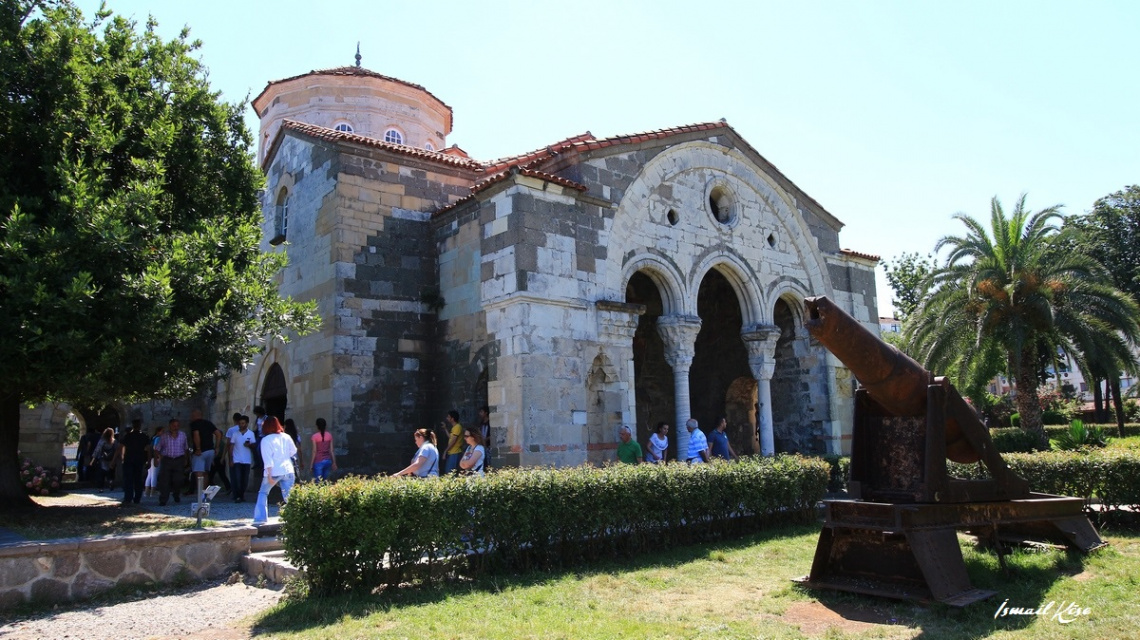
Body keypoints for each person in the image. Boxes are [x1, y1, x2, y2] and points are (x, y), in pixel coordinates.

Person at [253, 416, 297, 526]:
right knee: (289, 496)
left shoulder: (266, 440)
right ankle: (295, 518)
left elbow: (268, 460)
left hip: (274, 471)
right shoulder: (286, 436)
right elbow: (293, 451)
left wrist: (269, 476)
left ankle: (260, 518)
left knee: (263, 492)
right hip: (288, 469)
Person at [154, 418, 190, 506]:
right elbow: (157, 448)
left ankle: (176, 494)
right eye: (174, 426)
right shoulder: (164, 436)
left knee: (178, 480)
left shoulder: (183, 435)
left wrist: (186, 459)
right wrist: (158, 457)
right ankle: (163, 499)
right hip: (167, 460)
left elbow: (186, 448)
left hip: (179, 459)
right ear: (170, 426)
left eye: (177, 426)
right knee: (164, 480)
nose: (176, 427)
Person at [116, 419, 150, 505]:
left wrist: (122, 457)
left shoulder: (128, 436)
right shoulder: (144, 436)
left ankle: (128, 498)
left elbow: (121, 447)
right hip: (139, 460)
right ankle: (137, 498)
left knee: (128, 480)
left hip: (129, 460)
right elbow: (148, 449)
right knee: (138, 479)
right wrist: (148, 461)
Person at [188, 409, 220, 496]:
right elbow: (218, 434)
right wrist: (217, 447)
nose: (191, 417)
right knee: (206, 472)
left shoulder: (195, 424)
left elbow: (196, 435)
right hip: (210, 450)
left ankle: (200, 496)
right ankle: (205, 493)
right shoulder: (209, 423)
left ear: (195, 415)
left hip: (201, 452)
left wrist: (198, 448)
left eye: (192, 415)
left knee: (198, 473)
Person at [229, 415, 256, 502]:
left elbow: (254, 446)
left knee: (245, 480)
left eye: (243, 423)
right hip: (237, 460)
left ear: (247, 423)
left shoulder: (251, 434)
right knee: (237, 478)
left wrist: (249, 445)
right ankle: (237, 496)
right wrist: (231, 459)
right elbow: (231, 446)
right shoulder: (235, 434)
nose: (241, 425)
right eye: (240, 423)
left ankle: (241, 495)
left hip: (246, 460)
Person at [88, 428, 118, 492]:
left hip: (102, 459)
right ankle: (110, 481)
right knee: (111, 472)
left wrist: (92, 460)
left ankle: (101, 488)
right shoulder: (114, 441)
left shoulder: (102, 441)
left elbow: (97, 450)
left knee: (101, 474)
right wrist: (115, 460)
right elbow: (116, 450)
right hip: (111, 459)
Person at [442, 410, 464, 475]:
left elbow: (453, 441)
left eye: (448, 417)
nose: (447, 418)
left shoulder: (457, 427)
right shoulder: (454, 427)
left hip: (455, 453)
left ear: (452, 419)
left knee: (450, 473)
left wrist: (445, 451)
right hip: (452, 452)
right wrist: (445, 428)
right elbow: (451, 438)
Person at [144, 426, 163, 497]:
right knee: (154, 474)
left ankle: (146, 491)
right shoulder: (158, 438)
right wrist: (159, 456)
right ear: (158, 432)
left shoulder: (153, 438)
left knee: (150, 475)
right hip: (156, 457)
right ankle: (152, 491)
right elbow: (156, 448)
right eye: (162, 431)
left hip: (151, 457)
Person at [477, 405, 492, 471]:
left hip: (488, 446)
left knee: (489, 463)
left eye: (481, 412)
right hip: (483, 445)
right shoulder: (482, 423)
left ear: (486, 413)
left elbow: (492, 434)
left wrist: (485, 439)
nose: (480, 414)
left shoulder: (490, 423)